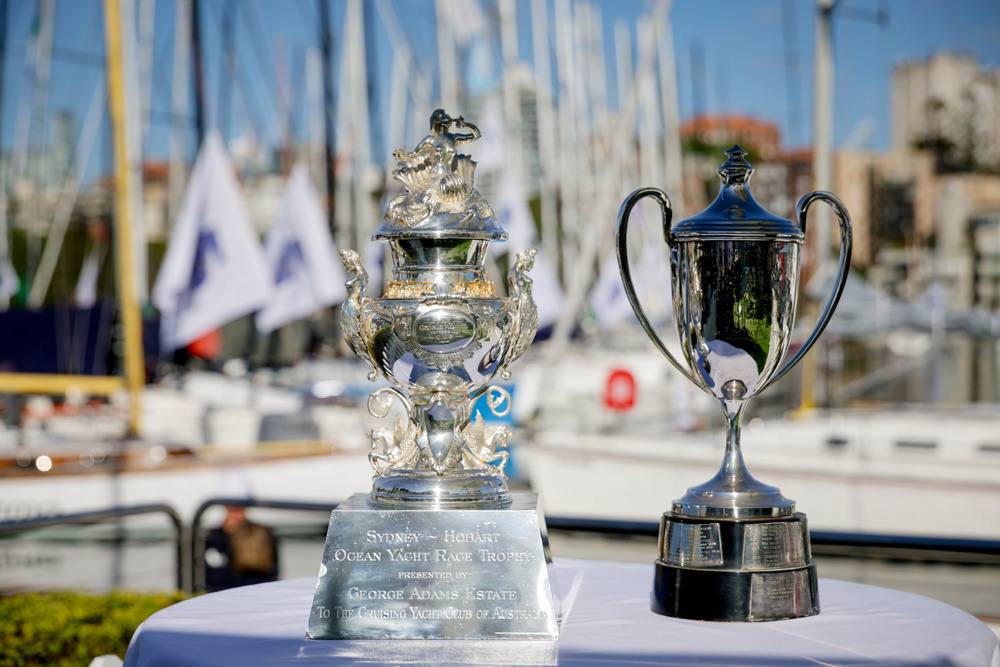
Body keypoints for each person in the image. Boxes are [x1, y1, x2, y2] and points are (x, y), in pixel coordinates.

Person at [203, 469, 279, 592]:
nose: (236, 513)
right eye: (232, 507)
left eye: (240, 506)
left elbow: (273, 578)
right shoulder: (208, 539)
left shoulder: (264, 535)